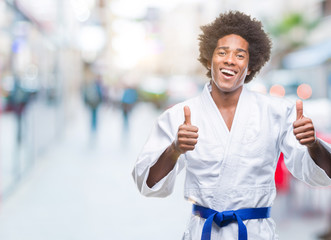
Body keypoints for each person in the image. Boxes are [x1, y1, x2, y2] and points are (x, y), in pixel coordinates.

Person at [132, 11, 331, 240]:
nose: (229, 60)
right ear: (209, 59)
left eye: (240, 55)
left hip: (256, 234)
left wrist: (313, 143)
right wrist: (174, 149)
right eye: (222, 52)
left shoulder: (277, 112)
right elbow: (147, 182)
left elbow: (320, 173)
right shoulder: (178, 115)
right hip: (204, 233)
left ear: (250, 66)